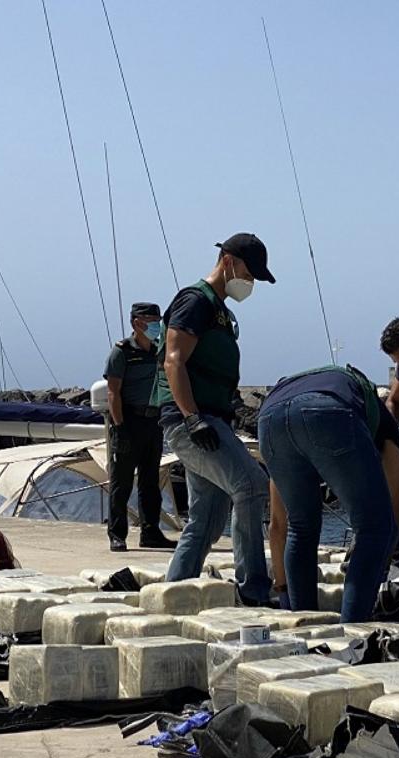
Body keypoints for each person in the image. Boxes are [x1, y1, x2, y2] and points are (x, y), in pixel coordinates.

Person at [150, 233, 274, 604]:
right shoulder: (195, 302)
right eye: (250, 273)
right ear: (229, 261)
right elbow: (174, 360)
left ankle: (173, 594)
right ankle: (253, 591)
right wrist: (192, 419)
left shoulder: (220, 310)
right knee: (251, 485)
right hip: (193, 421)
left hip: (211, 418)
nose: (250, 283)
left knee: (207, 515)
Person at [260, 365, 399, 622]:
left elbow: (278, 526)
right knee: (375, 528)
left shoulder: (296, 390)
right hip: (329, 411)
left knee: (301, 527)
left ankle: (302, 623)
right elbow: (391, 521)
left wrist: (283, 593)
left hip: (269, 419)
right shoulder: (385, 426)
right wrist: (377, 570)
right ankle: (353, 629)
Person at [103, 302, 178, 552]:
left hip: (153, 422)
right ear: (137, 323)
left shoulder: (159, 350)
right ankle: (117, 534)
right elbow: (113, 392)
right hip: (128, 421)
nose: (157, 325)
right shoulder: (122, 352)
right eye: (151, 320)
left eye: (158, 320)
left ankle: (150, 533)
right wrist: (120, 426)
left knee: (150, 482)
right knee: (121, 482)